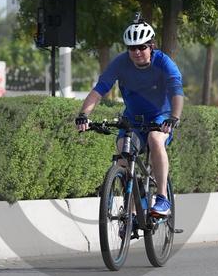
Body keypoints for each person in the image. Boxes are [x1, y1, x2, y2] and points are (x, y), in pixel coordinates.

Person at [75, 15, 184, 217]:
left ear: (151, 46)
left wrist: (174, 117)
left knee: (155, 139)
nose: (137, 52)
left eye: (142, 47)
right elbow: (99, 90)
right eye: (132, 48)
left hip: (161, 117)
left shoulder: (164, 62)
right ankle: (132, 211)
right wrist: (83, 115)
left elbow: (177, 92)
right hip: (133, 119)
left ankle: (162, 198)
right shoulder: (121, 63)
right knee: (123, 153)